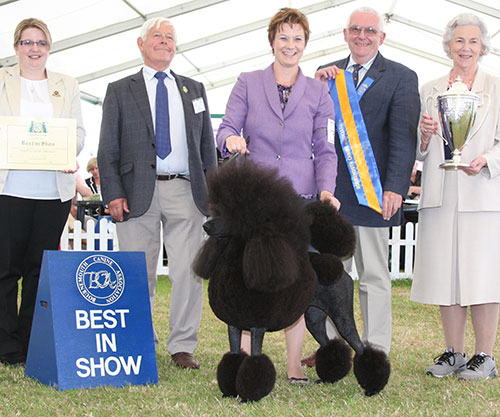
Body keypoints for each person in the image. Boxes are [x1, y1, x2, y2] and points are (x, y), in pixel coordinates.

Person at [216, 8, 339, 384]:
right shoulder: (247, 82)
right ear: (272, 41)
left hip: (300, 202)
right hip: (256, 202)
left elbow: (327, 146)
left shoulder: (320, 92)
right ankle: (246, 362)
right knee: (248, 280)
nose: (290, 45)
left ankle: (292, 366)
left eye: (298, 38)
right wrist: (231, 140)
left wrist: (326, 190)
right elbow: (224, 129)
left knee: (296, 285)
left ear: (306, 44)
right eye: (283, 37)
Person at [97, 17, 217, 370]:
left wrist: (213, 191)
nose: (164, 42)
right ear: (141, 44)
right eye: (157, 36)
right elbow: (107, 148)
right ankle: (139, 341)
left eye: (170, 37)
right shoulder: (119, 89)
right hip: (135, 192)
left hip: (187, 190)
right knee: (137, 273)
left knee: (189, 272)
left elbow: (207, 145)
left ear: (175, 46)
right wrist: (112, 192)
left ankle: (182, 345)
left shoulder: (194, 88)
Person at [303, 7, 420, 362]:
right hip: (331, 195)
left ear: (381, 37)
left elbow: (404, 138)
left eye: (370, 30)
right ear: (345, 33)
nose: (363, 35)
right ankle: (336, 348)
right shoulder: (327, 75)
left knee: (374, 277)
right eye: (356, 29)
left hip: (374, 194)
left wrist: (396, 187)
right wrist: (315, 84)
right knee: (331, 278)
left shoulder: (401, 77)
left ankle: (376, 350)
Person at [411, 13, 500, 380]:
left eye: (473, 42)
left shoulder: (496, 87)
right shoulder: (428, 90)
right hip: (441, 193)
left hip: (481, 195)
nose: (465, 48)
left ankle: (485, 356)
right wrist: (425, 135)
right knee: (446, 276)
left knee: (483, 277)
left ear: (483, 47)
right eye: (459, 41)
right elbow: (416, 152)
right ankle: (454, 352)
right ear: (448, 45)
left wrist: (486, 160)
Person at [0, 18, 85, 366]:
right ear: (16, 47)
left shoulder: (67, 84)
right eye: (27, 42)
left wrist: (69, 153)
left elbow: (78, 132)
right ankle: (6, 345)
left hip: (53, 192)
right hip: (9, 189)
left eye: (41, 43)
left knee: (39, 270)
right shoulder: (1, 80)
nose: (34, 49)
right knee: (5, 270)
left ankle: (29, 342)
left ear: (49, 48)